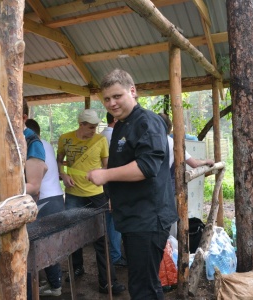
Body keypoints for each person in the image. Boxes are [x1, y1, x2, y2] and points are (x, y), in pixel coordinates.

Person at [87, 69, 178, 299]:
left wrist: (105, 176)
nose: (112, 103)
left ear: (132, 91)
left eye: (117, 96)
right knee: (142, 283)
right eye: (107, 99)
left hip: (149, 218)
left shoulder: (148, 121)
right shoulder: (120, 125)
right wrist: (113, 198)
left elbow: (147, 167)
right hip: (132, 216)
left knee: (143, 287)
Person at [57, 108, 126, 295]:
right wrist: (63, 175)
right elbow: (59, 160)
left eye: (96, 127)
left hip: (97, 195)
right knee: (72, 236)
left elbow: (107, 168)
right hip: (73, 194)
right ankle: (76, 268)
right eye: (90, 127)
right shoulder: (65, 138)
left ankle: (107, 282)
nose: (94, 130)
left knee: (102, 238)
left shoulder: (101, 141)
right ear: (80, 124)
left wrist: (109, 195)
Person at [25, 118, 64, 297]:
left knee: (38, 247)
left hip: (44, 201)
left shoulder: (34, 145)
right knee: (49, 245)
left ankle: (46, 286)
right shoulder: (47, 144)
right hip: (56, 198)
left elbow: (34, 183)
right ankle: (53, 284)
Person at [101, 112, 127, 267]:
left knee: (107, 217)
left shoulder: (99, 135)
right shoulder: (116, 137)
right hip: (115, 181)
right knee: (115, 218)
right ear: (115, 119)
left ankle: (109, 252)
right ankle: (115, 255)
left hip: (102, 181)